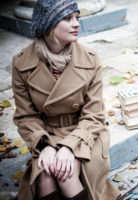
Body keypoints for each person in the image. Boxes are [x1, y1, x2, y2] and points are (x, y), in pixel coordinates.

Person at [11, 0, 120, 199]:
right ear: (49, 24)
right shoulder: (22, 63)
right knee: (45, 173)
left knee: (65, 174)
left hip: (85, 132)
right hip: (47, 133)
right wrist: (44, 146)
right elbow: (25, 117)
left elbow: (94, 115)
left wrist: (70, 147)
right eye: (68, 18)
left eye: (76, 17)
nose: (77, 23)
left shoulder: (90, 58)